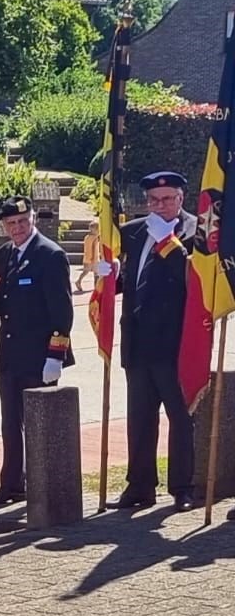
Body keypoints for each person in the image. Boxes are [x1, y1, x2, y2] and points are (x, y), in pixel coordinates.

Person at [115, 171, 201, 509]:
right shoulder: (135, 232)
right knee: (139, 418)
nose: (160, 206)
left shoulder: (196, 232)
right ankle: (140, 486)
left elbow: (196, 282)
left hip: (175, 341)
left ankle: (182, 487)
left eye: (167, 199)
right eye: (154, 200)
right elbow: (132, 279)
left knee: (180, 417)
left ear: (181, 198)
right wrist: (110, 279)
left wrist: (171, 244)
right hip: (137, 340)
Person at [0, 197, 73, 506]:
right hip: (10, 354)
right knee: (10, 423)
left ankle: (43, 485)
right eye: (11, 224)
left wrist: (56, 356)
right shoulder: (3, 255)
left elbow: (62, 312)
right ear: (4, 226)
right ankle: (12, 484)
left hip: (39, 356)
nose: (18, 228)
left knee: (39, 424)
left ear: (32, 219)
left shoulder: (50, 255)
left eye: (23, 221)